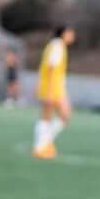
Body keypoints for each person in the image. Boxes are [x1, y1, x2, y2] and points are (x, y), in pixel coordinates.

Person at [32, 25, 75, 159]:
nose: (72, 36)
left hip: (53, 87)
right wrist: (50, 91)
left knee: (49, 117)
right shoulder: (57, 46)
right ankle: (42, 146)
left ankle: (43, 145)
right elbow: (51, 68)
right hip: (52, 88)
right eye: (70, 33)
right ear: (64, 34)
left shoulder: (55, 45)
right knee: (62, 115)